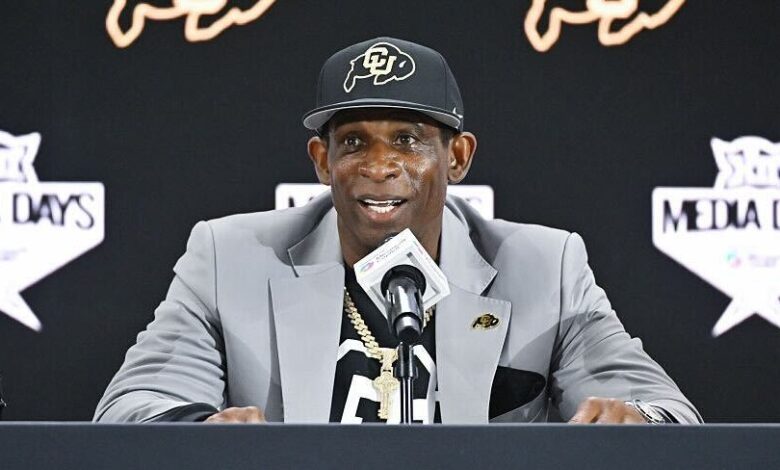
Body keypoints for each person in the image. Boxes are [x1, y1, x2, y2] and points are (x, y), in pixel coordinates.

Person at [94, 37, 701, 424]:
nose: (380, 166)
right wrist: (197, 430)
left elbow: (666, 410)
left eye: (408, 140)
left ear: (457, 157)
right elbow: (132, 405)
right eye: (354, 142)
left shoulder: (546, 267)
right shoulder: (230, 258)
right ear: (322, 161)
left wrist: (634, 422)